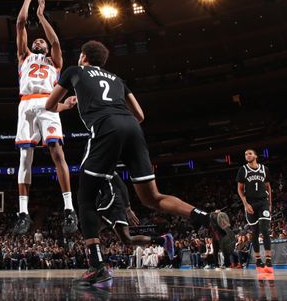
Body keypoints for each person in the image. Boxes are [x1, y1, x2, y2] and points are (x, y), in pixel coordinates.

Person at [45, 40, 215, 288]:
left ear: (83, 57)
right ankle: (205, 217)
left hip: (105, 127)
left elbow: (49, 105)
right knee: (152, 197)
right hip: (132, 127)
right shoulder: (116, 78)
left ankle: (97, 266)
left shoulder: (74, 71)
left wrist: (68, 104)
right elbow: (140, 115)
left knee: (85, 200)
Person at [13, 0, 78, 235]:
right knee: (24, 158)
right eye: (36, 40)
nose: (39, 41)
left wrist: (41, 16)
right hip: (27, 103)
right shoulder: (24, 57)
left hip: (48, 104)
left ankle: (69, 209)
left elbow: (57, 43)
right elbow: (20, 24)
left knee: (57, 152)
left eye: (42, 41)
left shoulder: (55, 62)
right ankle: (23, 213)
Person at [236, 149, 273, 270]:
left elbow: (268, 186)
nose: (247, 155)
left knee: (265, 229)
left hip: (263, 201)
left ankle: (268, 259)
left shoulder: (264, 169)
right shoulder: (243, 169)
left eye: (250, 153)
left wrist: (270, 203)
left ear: (256, 156)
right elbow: (240, 189)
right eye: (245, 154)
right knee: (255, 232)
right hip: (250, 203)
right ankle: (258, 260)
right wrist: (246, 204)